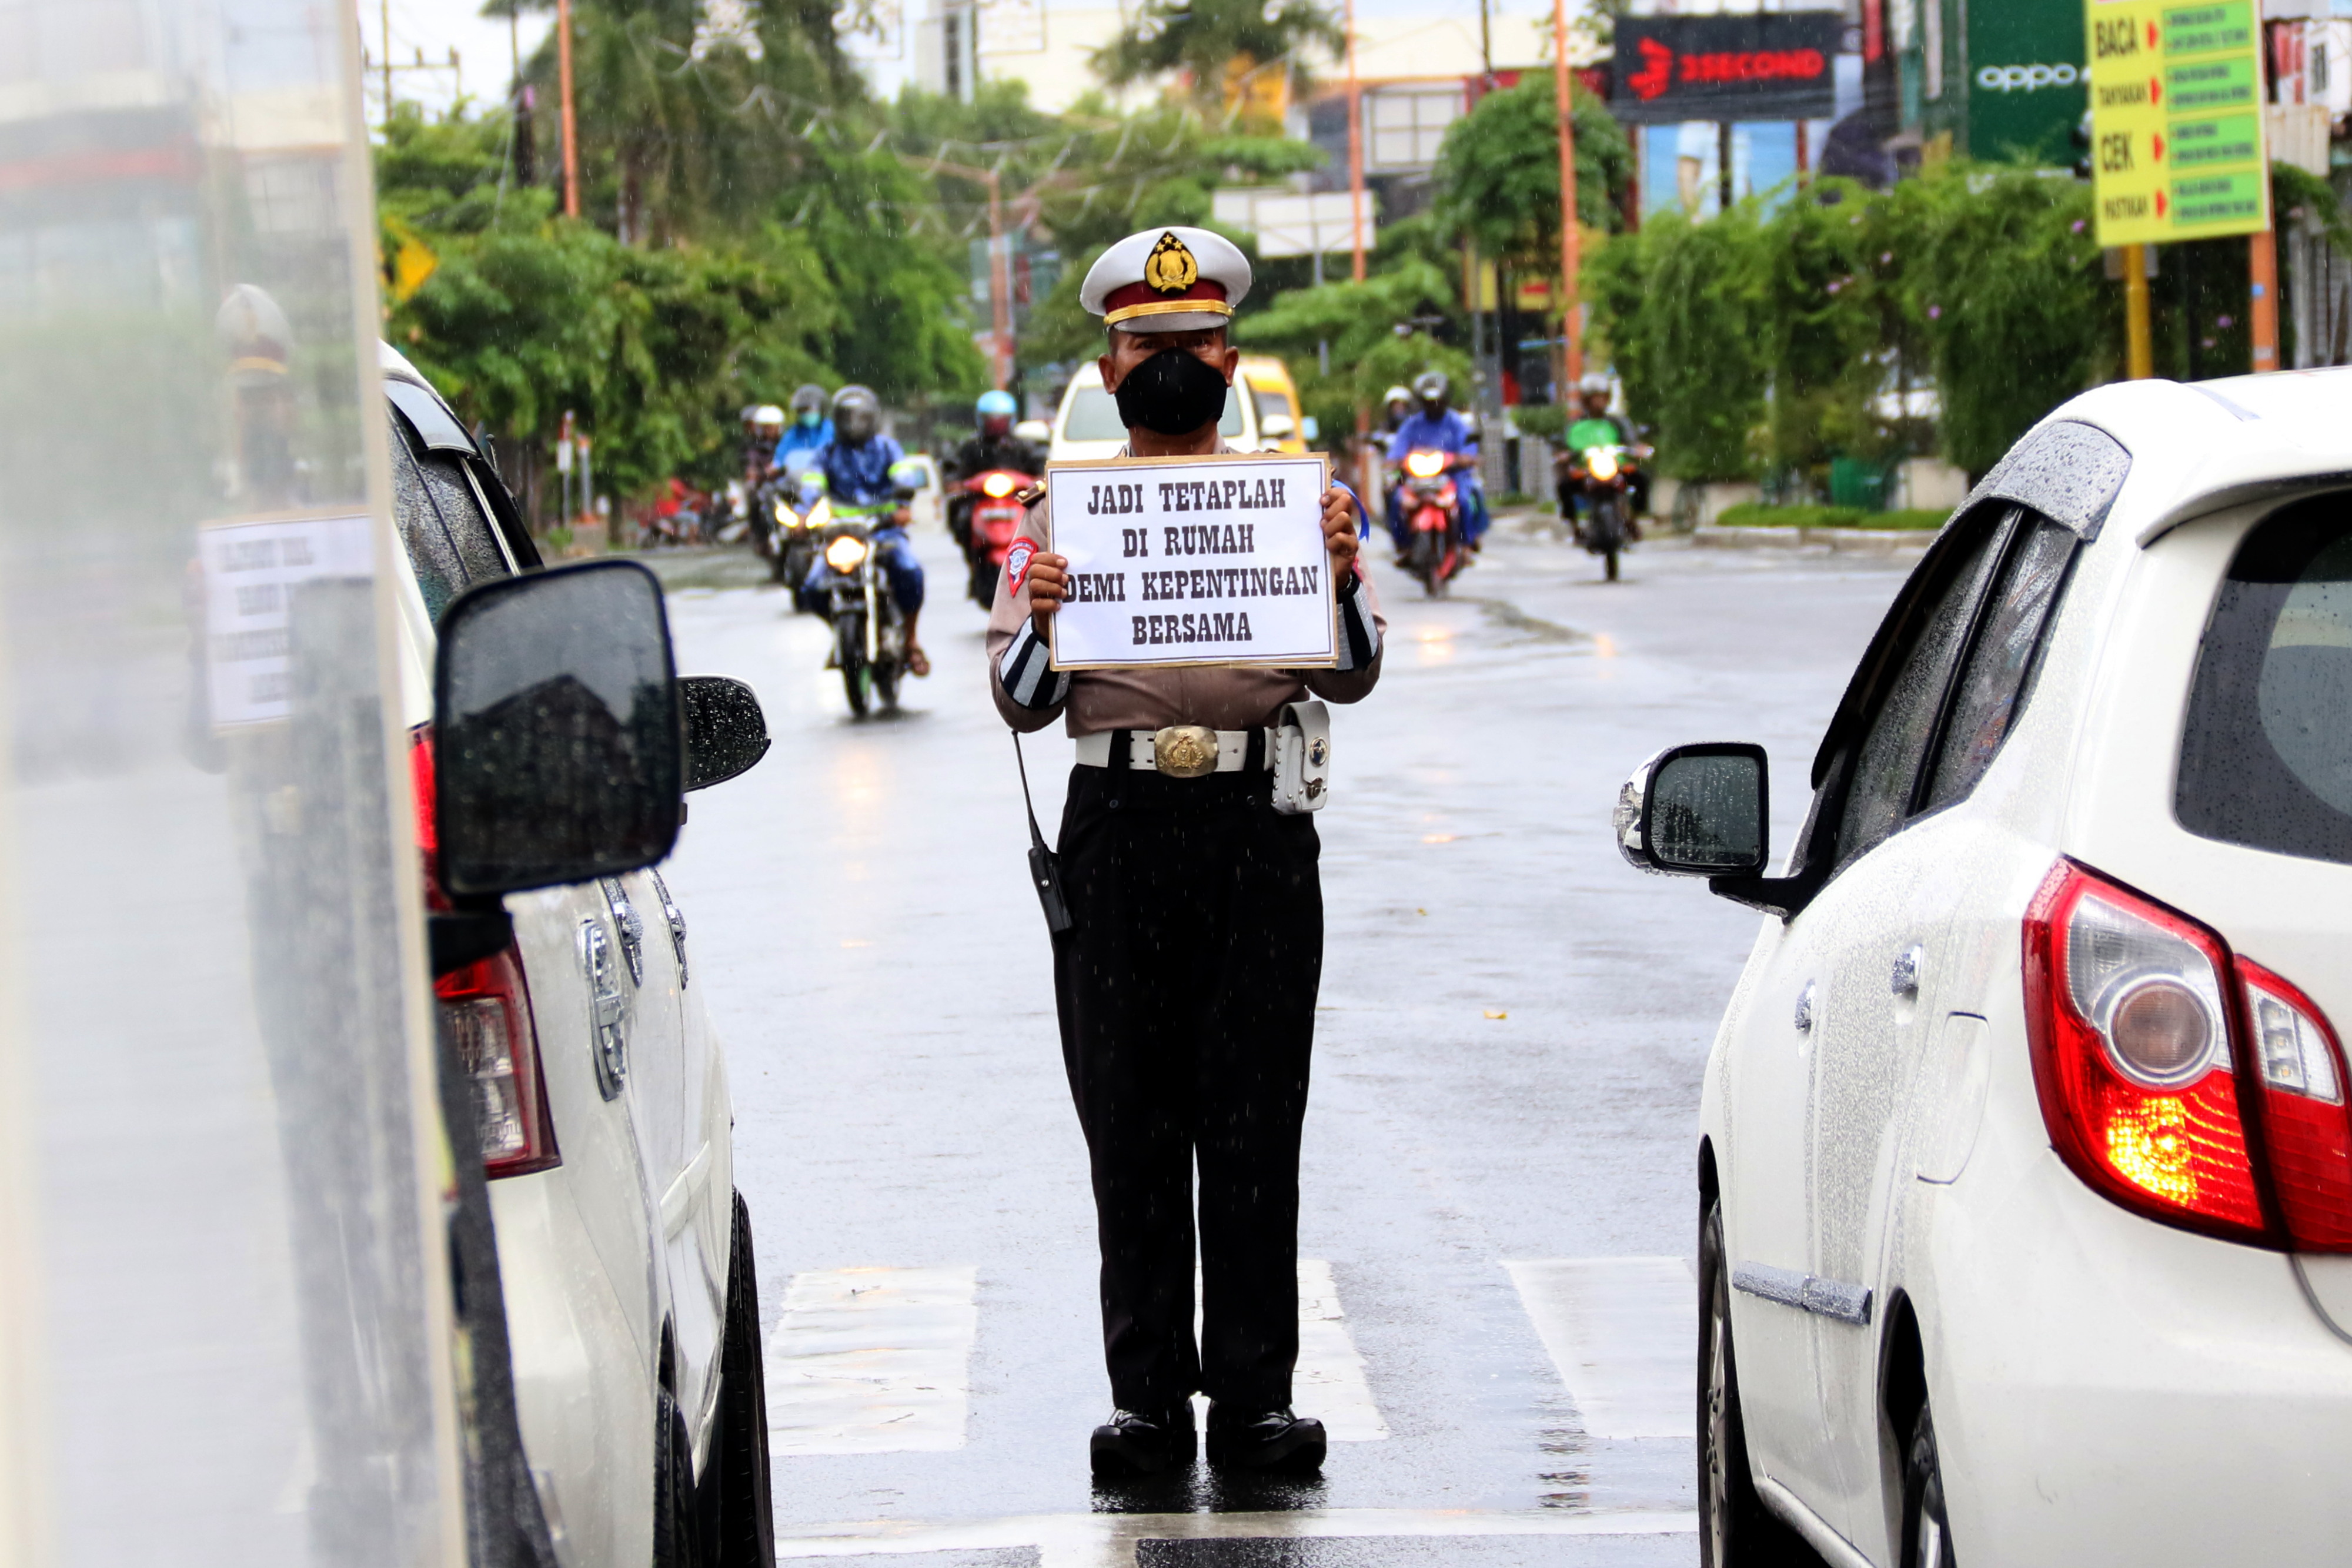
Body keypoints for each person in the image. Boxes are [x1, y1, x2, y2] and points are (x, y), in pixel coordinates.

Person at [987, 226, 1385, 1481]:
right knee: (1130, 1117)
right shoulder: (1057, 516)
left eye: (1194, 341)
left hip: (1257, 825)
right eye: (1146, 344)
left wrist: (1338, 574)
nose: (1171, 361)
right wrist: (1045, 618)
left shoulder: (1295, 507)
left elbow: (1356, 671)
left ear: (1229, 360)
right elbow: (1018, 701)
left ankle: (1256, 1401)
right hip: (1116, 829)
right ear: (1109, 369)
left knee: (1258, 1114)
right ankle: (1149, 1401)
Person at [799, 385, 928, 676]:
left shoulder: (887, 448)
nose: (854, 425)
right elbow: (812, 485)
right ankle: (841, 633)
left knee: (910, 573)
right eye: (847, 418)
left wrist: (902, 505)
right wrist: (805, 515)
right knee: (813, 587)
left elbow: (903, 476)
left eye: (860, 418)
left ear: (873, 418)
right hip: (840, 535)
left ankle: (911, 640)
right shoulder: (826, 453)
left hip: (883, 532)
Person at [1384, 370, 1486, 558]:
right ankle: (1403, 546)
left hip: (1451, 476)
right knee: (1397, 500)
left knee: (1464, 499)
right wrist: (1395, 461)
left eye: (1438, 402)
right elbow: (1397, 450)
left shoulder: (1456, 423)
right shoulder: (1412, 425)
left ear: (1446, 400)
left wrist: (1465, 458)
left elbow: (1468, 448)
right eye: (1429, 403)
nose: (1434, 406)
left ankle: (1466, 543)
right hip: (1416, 479)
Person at [944, 389, 1044, 549]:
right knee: (959, 511)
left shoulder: (1025, 447)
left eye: (1001, 420)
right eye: (991, 420)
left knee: (1041, 514)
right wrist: (957, 483)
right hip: (980, 498)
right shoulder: (970, 447)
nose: (996, 425)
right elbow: (953, 469)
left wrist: (1037, 480)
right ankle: (969, 545)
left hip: (1018, 498)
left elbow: (1039, 467)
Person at [1558, 376, 1649, 531]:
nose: (1599, 401)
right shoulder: (1575, 424)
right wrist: (1564, 454)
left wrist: (1638, 449)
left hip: (1616, 467)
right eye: (1595, 398)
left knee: (1642, 480)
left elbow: (1631, 440)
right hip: (1586, 470)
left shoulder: (1618, 422)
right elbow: (1565, 444)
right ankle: (1575, 527)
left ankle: (1633, 520)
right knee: (1564, 486)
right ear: (1586, 400)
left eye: (1602, 397)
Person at [771, 383, 832, 484]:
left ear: (821, 409)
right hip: (797, 481)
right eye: (802, 410)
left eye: (809, 410)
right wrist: (776, 465)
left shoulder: (832, 429)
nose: (805, 414)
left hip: (827, 479)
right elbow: (780, 456)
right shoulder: (793, 433)